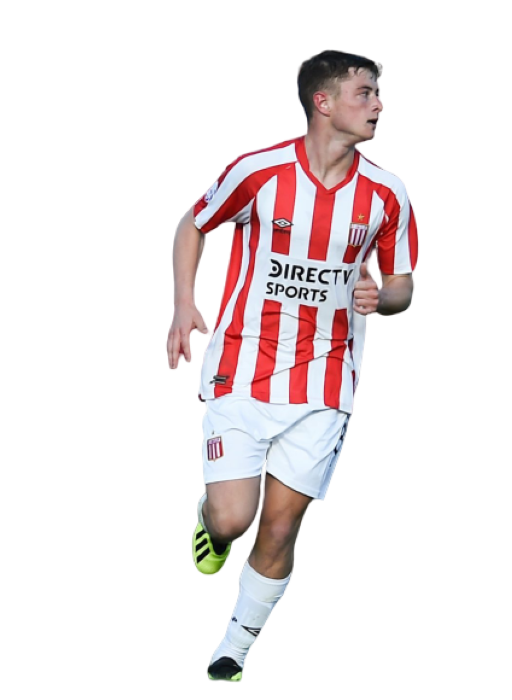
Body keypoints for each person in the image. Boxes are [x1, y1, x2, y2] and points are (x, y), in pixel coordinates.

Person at [166, 49, 419, 683]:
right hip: (243, 366)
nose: (379, 105)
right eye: (366, 93)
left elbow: (403, 286)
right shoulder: (259, 171)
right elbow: (193, 224)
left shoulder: (388, 192)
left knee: (280, 527)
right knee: (233, 518)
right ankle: (210, 522)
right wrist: (182, 307)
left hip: (327, 383)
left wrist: (382, 297)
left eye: (379, 94)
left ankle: (234, 648)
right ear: (323, 101)